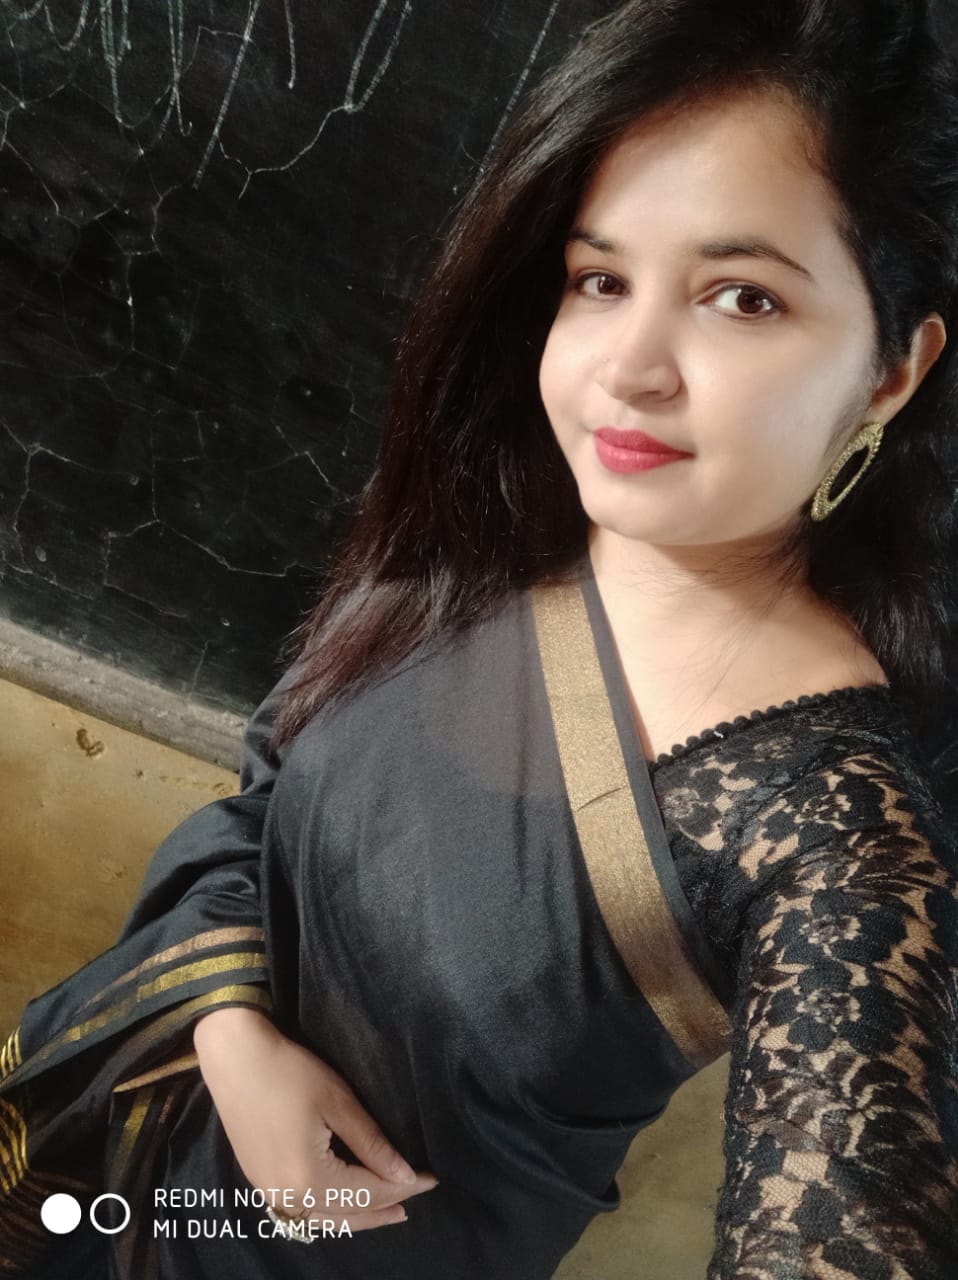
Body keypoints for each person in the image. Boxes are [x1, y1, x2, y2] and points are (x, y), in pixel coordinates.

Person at [3, 0, 958, 1276]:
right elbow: (268, 787)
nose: (629, 366)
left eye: (741, 298)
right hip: (101, 1165)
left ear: (893, 368)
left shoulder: (836, 835)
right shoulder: (498, 533)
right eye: (600, 279)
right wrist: (232, 1030)